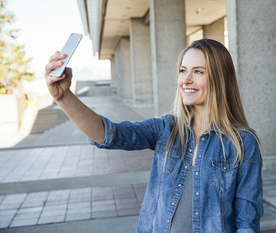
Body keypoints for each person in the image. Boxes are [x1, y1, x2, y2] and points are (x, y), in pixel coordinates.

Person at [45, 39, 263, 233]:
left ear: (220, 79)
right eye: (182, 70)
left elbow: (247, 221)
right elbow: (109, 134)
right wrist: (64, 97)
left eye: (198, 71)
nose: (185, 80)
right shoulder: (166, 129)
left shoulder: (242, 142)